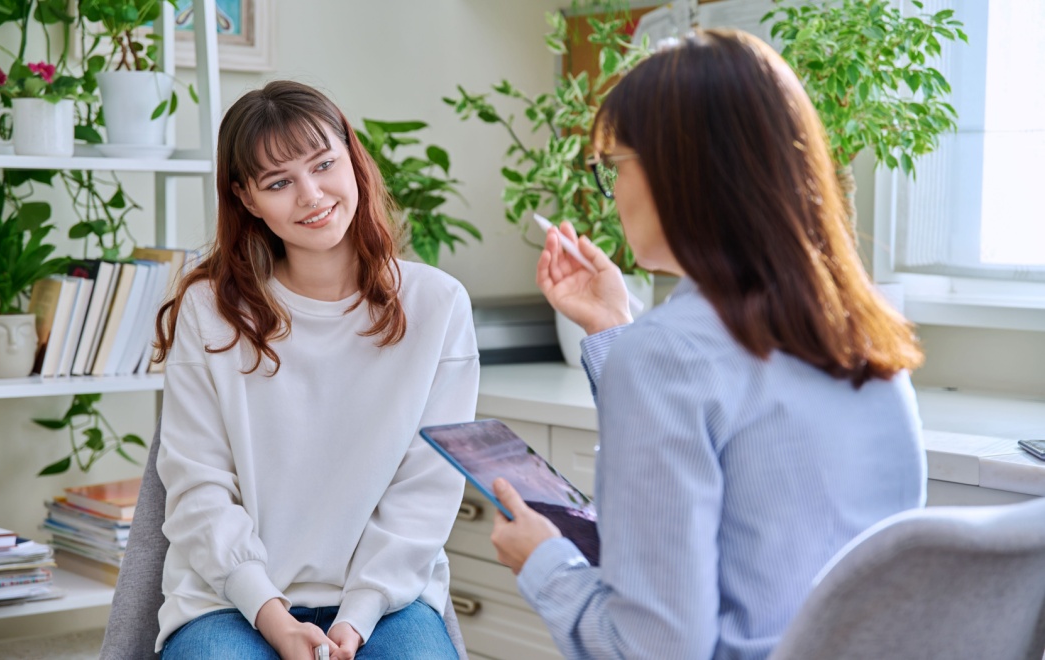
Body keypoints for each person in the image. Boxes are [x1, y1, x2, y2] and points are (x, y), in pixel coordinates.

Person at [489, 29, 927, 659]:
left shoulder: (667, 355)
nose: (612, 193)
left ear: (677, 172)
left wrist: (544, 562)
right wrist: (615, 327)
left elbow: (654, 649)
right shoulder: (862, 332)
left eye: (615, 166)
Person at [151, 80, 478, 660]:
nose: (311, 195)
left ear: (352, 158)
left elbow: (426, 491)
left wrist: (358, 613)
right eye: (279, 183)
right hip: (232, 600)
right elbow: (198, 489)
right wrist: (274, 619)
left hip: (387, 600)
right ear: (247, 199)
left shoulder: (438, 306)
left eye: (324, 164)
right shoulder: (210, 313)